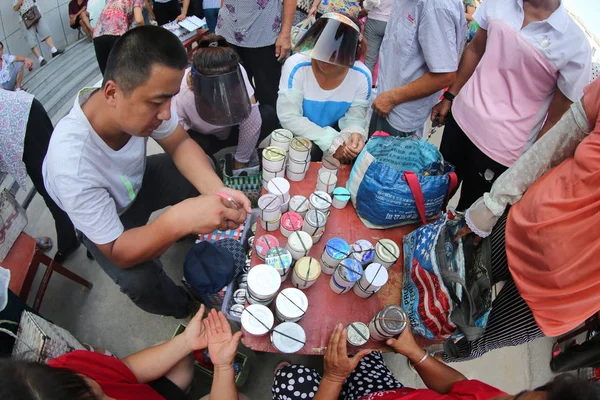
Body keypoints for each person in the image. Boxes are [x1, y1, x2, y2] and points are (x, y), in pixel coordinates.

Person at [43, 26, 251, 319]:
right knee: (140, 280)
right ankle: (184, 306)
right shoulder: (71, 165)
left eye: (170, 99)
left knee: (203, 168)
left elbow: (179, 142)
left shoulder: (135, 100)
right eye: (157, 103)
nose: (167, 113)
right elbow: (118, 250)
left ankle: (189, 232)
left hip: (136, 181)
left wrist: (218, 191)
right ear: (112, 92)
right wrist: (179, 220)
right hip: (109, 216)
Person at [445, 76, 600, 362]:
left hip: (564, 298)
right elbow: (554, 145)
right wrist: (493, 202)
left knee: (470, 343)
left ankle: (418, 358)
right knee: (445, 286)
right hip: (522, 228)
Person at [432, 0, 592, 211]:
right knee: (432, 198)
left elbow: (555, 120)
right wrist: (450, 96)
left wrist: (526, 171)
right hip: (460, 122)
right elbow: (475, 49)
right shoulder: (499, 3)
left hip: (501, 153)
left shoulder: (575, 45)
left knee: (468, 222)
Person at [273, 323, 600, 399]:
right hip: (384, 395)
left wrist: (332, 379)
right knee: (363, 355)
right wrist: (416, 353)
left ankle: (293, 380)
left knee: (291, 381)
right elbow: (459, 387)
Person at [1, 307, 246, 400]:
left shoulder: (65, 370)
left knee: (178, 352)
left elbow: (126, 371)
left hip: (152, 394)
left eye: (98, 392)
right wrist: (223, 367)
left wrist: (186, 341)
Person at [173, 34, 279, 172]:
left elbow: (251, 117)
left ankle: (243, 148)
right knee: (193, 145)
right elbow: (178, 142)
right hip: (206, 137)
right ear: (193, 84)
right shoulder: (179, 93)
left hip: (231, 127)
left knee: (268, 115)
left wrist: (241, 160)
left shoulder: (237, 70)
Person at [277, 13, 371, 163]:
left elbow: (355, 117)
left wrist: (355, 134)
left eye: (335, 54)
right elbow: (289, 117)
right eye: (321, 49)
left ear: (351, 53)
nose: (324, 59)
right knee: (308, 151)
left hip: (335, 131)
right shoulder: (296, 65)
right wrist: (332, 142)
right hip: (298, 133)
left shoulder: (361, 76)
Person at [0, 89, 80, 263]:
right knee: (53, 183)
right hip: (20, 119)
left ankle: (90, 238)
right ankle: (76, 237)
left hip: (24, 122)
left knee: (56, 183)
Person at [369, 0, 465, 137]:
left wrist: (391, 98)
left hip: (399, 112)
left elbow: (445, 75)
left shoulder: (437, 7)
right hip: (385, 98)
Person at [216, 0, 295, 110]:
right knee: (233, 92)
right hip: (228, 31)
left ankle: (269, 125)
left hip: (264, 35)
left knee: (268, 94)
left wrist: (285, 34)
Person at [93, 0, 145, 75]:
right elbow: (139, 20)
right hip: (116, 32)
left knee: (107, 75)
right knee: (123, 73)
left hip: (98, 34)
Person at [12, 0, 64, 67]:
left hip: (35, 10)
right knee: (30, 39)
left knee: (44, 29)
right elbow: (15, 8)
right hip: (24, 18)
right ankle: (40, 59)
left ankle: (53, 50)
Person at [362, 0, 393, 77]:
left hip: (375, 20)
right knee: (389, 60)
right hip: (393, 21)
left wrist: (366, 6)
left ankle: (366, 84)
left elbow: (372, 1)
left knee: (370, 59)